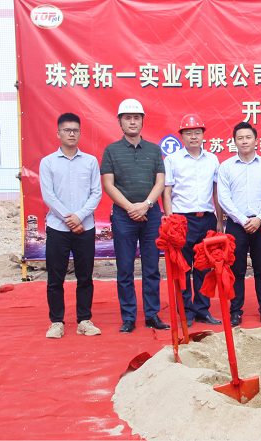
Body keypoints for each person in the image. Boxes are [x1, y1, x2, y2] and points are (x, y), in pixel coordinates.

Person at [100, 99, 168, 333]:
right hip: (123, 216)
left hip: (151, 215)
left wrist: (146, 205)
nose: (132, 122)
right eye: (127, 118)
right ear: (120, 122)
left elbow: (160, 182)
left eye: (136, 117)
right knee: (125, 269)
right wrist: (131, 207)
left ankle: (152, 314)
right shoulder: (111, 150)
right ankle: (128, 317)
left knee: (152, 268)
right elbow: (108, 185)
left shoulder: (154, 149)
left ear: (142, 121)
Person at [40, 112, 102, 339]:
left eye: (75, 130)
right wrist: (69, 219)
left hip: (85, 228)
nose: (71, 134)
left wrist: (80, 217)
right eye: (67, 130)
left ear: (80, 133)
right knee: (55, 278)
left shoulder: (90, 161)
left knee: (85, 277)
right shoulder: (48, 162)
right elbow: (48, 195)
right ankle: (56, 322)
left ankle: (84, 320)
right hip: (58, 228)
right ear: (58, 133)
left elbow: (96, 193)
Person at [162, 114, 223, 327]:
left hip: (206, 219)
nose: (193, 136)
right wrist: (171, 222)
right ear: (182, 136)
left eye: (197, 132)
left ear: (203, 135)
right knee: (183, 268)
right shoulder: (172, 160)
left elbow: (216, 192)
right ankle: (186, 312)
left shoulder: (212, 159)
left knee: (204, 267)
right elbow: (167, 192)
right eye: (188, 133)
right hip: (182, 220)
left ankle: (202, 310)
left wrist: (219, 220)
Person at [217, 121, 261, 327]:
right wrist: (243, 220)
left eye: (248, 137)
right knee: (236, 270)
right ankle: (236, 311)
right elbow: (224, 198)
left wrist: (259, 218)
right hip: (237, 224)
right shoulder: (226, 167)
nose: (244, 141)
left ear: (256, 140)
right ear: (234, 142)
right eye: (240, 138)